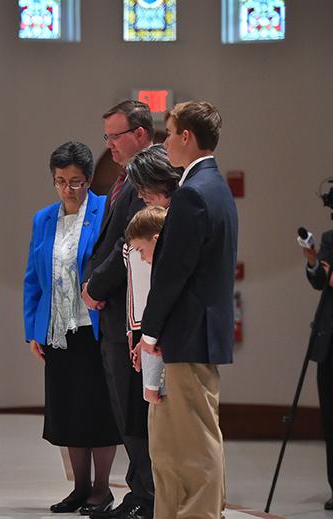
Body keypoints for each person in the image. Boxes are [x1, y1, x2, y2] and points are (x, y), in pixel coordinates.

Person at [137, 101, 236, 518]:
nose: (164, 141)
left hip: (189, 334)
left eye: (168, 132)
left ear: (186, 138)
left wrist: (150, 331)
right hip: (196, 333)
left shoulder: (195, 193)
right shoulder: (212, 186)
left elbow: (174, 273)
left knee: (195, 445)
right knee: (175, 443)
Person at [23, 141, 121, 513]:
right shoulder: (43, 218)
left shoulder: (105, 211)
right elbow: (34, 277)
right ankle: (79, 487)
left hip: (94, 328)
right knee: (68, 411)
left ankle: (101, 488)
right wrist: (33, 328)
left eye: (76, 182)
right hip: (57, 328)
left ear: (89, 180)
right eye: (61, 181)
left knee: (98, 410)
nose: (69, 189)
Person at [81, 100, 154, 519]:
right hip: (112, 312)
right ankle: (138, 491)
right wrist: (93, 280)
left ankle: (146, 496)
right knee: (123, 409)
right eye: (106, 136)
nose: (108, 146)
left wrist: (95, 284)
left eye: (115, 136)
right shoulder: (124, 178)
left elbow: (129, 245)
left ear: (140, 134)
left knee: (134, 410)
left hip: (128, 311)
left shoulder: (146, 176)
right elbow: (108, 243)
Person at [122, 145, 182, 405]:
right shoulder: (156, 219)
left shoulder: (175, 224)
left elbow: (163, 293)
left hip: (167, 342)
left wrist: (148, 339)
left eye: (144, 186)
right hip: (149, 335)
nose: (139, 193)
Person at [303, 221, 333, 510]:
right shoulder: (329, 238)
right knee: (330, 418)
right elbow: (320, 281)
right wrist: (313, 261)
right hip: (330, 343)